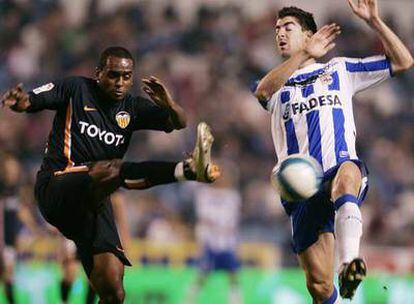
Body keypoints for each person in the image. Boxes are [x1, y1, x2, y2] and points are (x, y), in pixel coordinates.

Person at [1, 46, 220, 303]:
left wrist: (169, 103)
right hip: (57, 185)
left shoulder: (132, 108)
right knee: (112, 169)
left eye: (126, 77)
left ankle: (189, 169)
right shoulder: (75, 89)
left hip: (93, 202)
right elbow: (30, 100)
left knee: (113, 291)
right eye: (113, 75)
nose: (120, 82)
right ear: (98, 73)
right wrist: (20, 102)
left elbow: (179, 122)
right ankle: (188, 170)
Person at [253, 1, 413, 303]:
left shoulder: (338, 69)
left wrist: (375, 21)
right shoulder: (276, 84)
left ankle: (349, 261)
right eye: (277, 30)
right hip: (299, 191)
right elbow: (262, 92)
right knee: (320, 288)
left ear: (310, 34)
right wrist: (305, 53)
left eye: (288, 27)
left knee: (348, 173)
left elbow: (403, 61)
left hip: (337, 170)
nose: (280, 34)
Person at [186, 162, 242, 304]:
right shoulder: (205, 194)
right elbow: (204, 216)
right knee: (203, 273)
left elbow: (231, 220)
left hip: (226, 242)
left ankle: (235, 300)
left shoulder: (233, 196)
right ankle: (190, 299)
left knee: (233, 273)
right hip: (210, 241)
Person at [0, 153, 44, 304]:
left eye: (15, 169)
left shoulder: (15, 189)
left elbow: (21, 211)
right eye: (10, 169)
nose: (13, 172)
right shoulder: (2, 189)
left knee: (8, 274)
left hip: (9, 240)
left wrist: (36, 230)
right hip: (3, 240)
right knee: (7, 273)